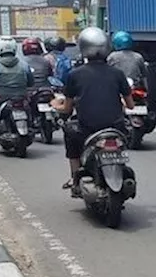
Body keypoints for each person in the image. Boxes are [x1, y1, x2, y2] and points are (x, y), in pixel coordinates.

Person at [57, 28, 134, 195]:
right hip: (115, 129)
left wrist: (57, 107)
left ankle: (74, 177)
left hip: (87, 129)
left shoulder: (74, 75)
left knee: (69, 132)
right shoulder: (118, 73)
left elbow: (67, 108)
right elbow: (131, 105)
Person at [0, 37, 34, 136]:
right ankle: (32, 123)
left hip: (2, 98)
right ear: (14, 48)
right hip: (21, 97)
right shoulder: (24, 65)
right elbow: (31, 83)